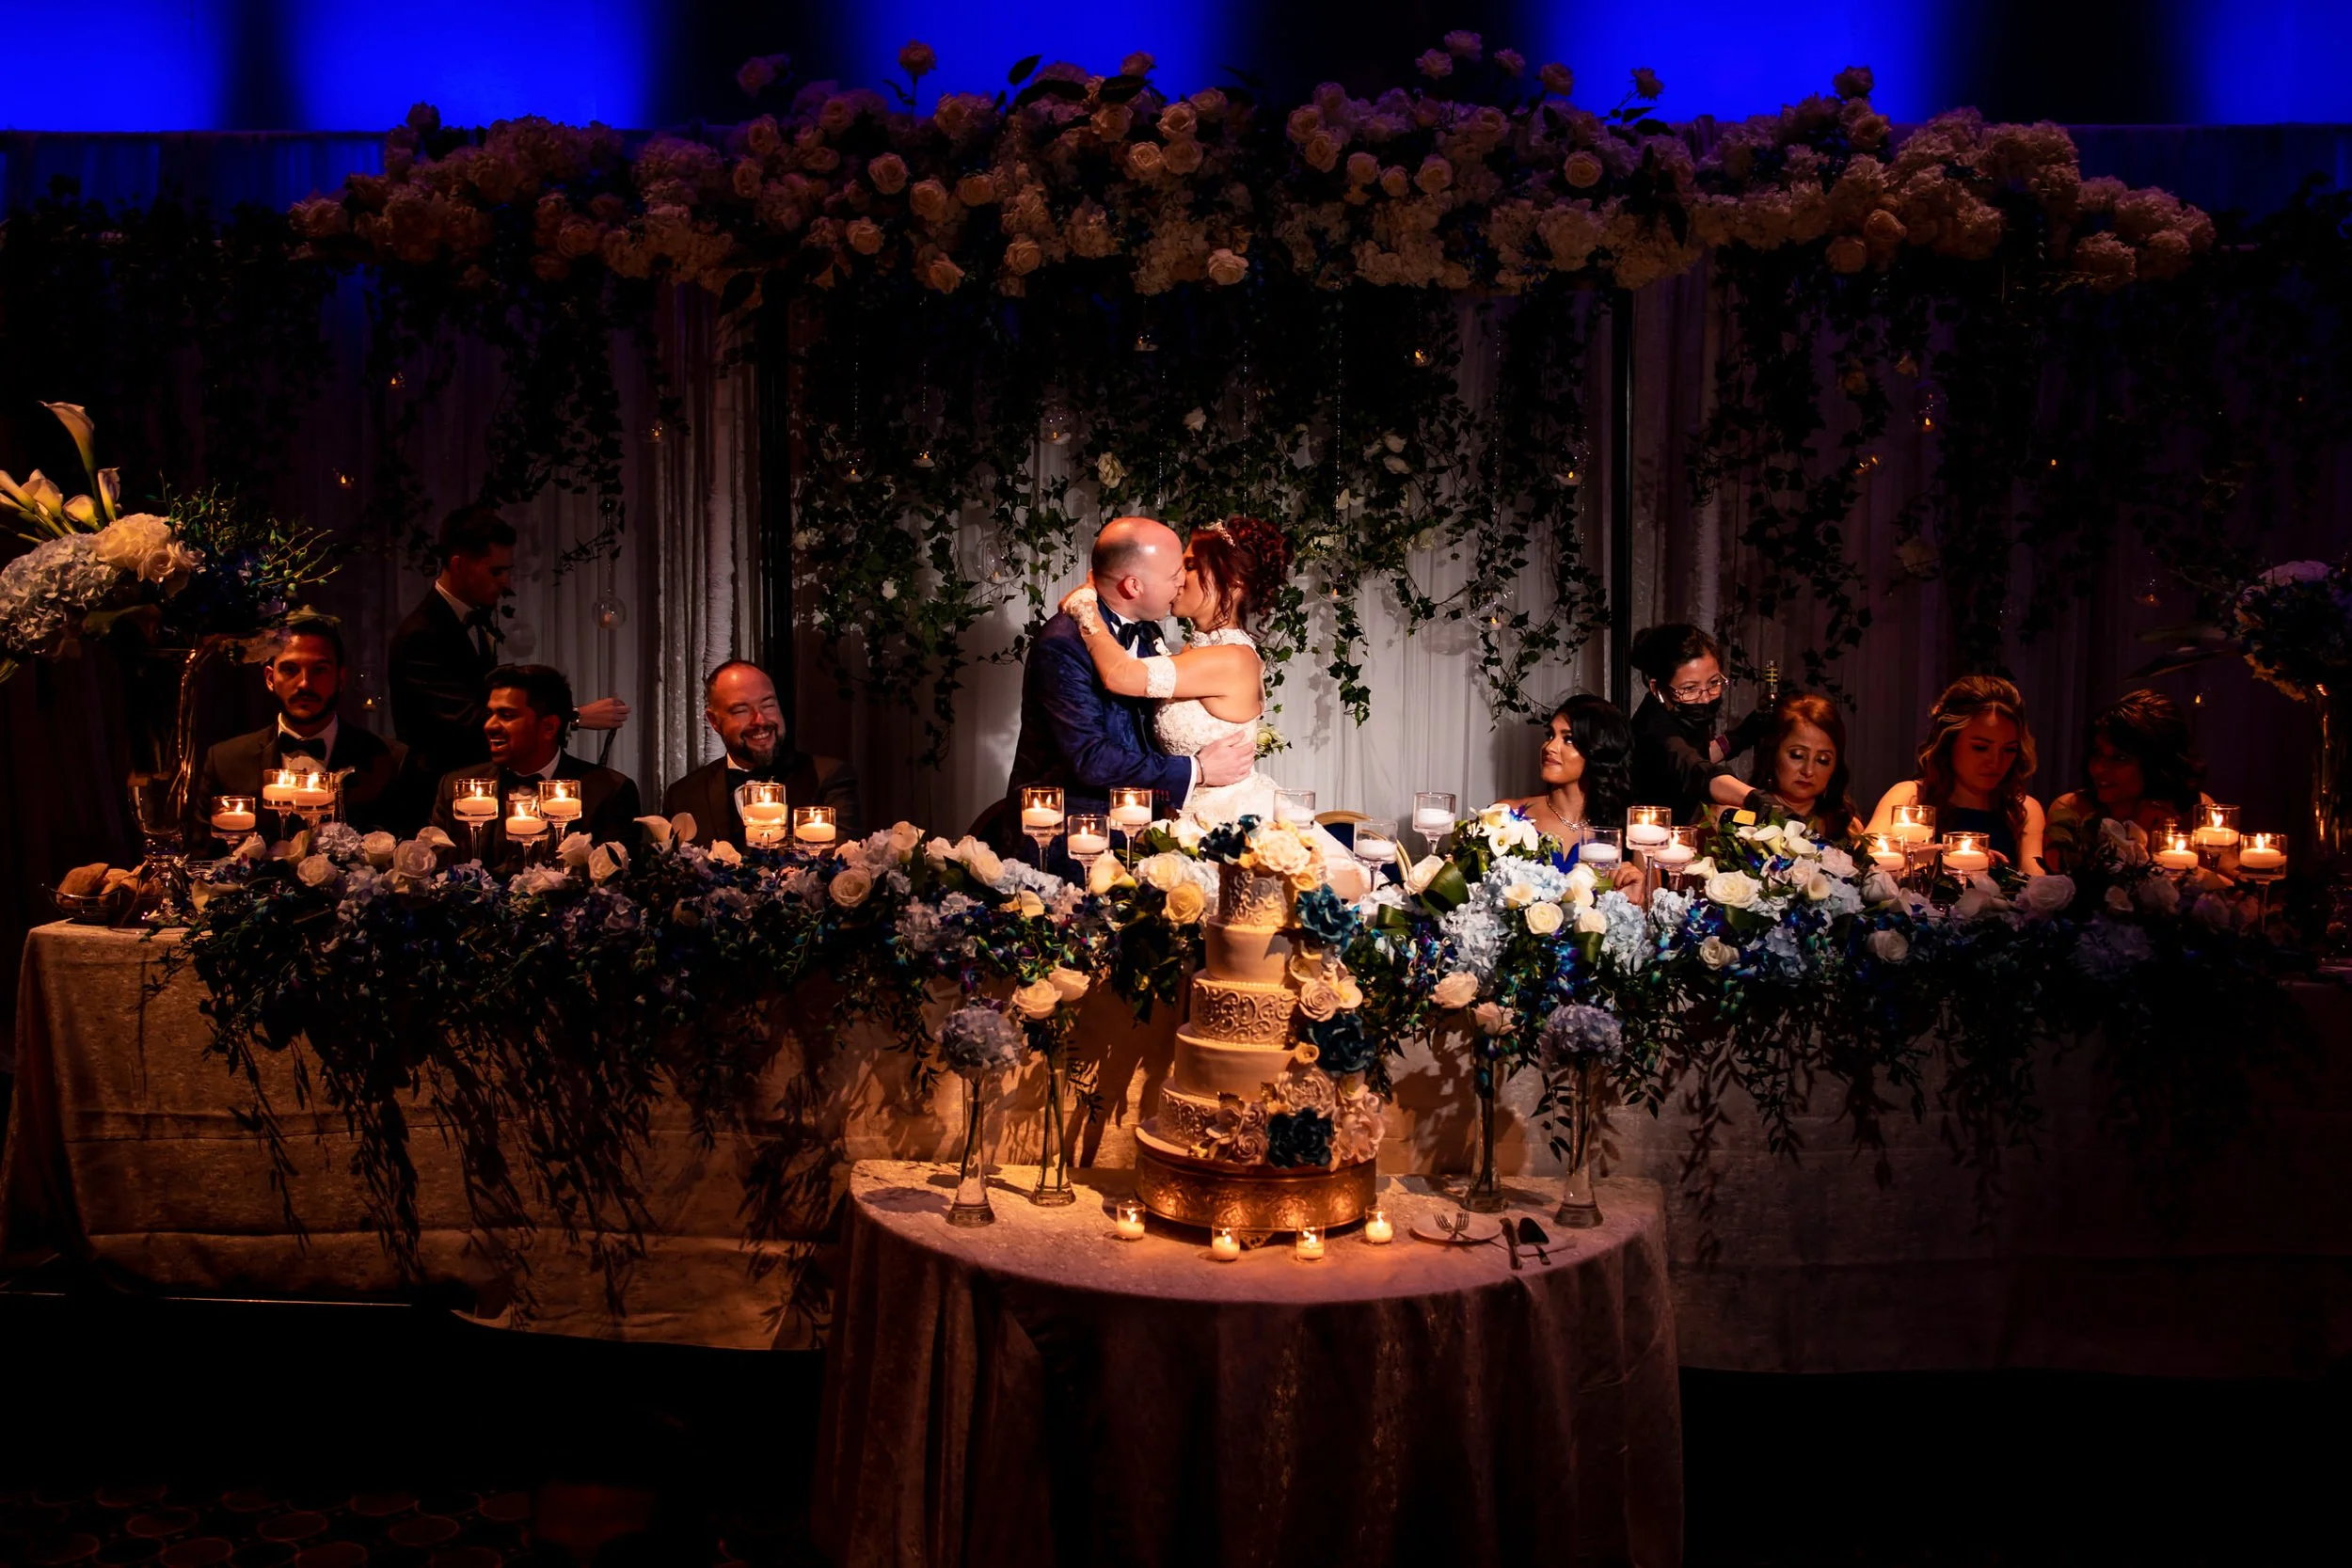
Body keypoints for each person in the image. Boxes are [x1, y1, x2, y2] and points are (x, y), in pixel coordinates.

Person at [1056, 516, 1363, 890]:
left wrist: (1085, 606)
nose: (1178, 578)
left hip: (1230, 817)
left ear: (1230, 584)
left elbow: (1120, 675)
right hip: (1185, 813)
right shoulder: (1193, 650)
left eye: (1189, 565)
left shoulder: (1231, 658)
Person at [1003, 515, 1256, 873]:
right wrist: (1195, 770)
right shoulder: (1063, 644)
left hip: (1144, 830)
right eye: (1174, 574)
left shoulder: (1149, 631)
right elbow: (1091, 759)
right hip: (1070, 839)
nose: (1182, 581)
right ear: (1134, 586)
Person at [390, 505, 629, 785]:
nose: (506, 582)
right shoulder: (420, 634)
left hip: (476, 785)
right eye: (497, 572)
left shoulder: (473, 618)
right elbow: (467, 723)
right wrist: (574, 716)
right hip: (438, 794)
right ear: (458, 565)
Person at [192, 617, 411, 841]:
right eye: (289, 669)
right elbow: (203, 861)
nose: (305, 683)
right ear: (269, 678)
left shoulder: (390, 760)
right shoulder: (225, 761)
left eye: (319, 670)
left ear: (341, 678)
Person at [429, 663, 641, 869]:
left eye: (507, 715)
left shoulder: (609, 793)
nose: (489, 726)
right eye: (489, 714)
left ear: (548, 727)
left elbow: (612, 886)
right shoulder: (456, 788)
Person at [660, 659, 861, 849]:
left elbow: (840, 866)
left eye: (767, 705)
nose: (760, 720)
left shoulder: (828, 778)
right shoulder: (683, 795)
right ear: (714, 721)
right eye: (741, 710)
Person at [1867, 673, 2046, 875]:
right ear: (1949, 742)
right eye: (1980, 747)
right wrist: (1942, 854)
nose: (1996, 762)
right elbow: (1865, 860)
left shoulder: (2023, 810)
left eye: (2009, 750)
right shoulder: (1910, 798)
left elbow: (2035, 885)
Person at [2043, 689, 2209, 872]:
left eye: (2119, 758)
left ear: (2157, 763)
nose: (2098, 768)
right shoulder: (2072, 811)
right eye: (2097, 753)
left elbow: (2221, 889)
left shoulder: (2195, 813)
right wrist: (2136, 837)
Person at [1628, 623, 1774, 824]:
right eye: (1690, 688)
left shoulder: (1680, 708)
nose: (1705, 698)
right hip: (1649, 840)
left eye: (1714, 683)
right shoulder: (1654, 727)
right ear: (1656, 688)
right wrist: (1752, 797)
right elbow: (1693, 768)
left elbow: (1700, 754)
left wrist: (1742, 735)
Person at [1502, 692, 1645, 895]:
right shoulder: (1508, 815)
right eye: (1550, 735)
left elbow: (1652, 913)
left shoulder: (1632, 830)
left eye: (1568, 739)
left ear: (1599, 749)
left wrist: (1633, 892)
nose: (1549, 747)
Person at [1746, 693, 1864, 840]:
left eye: (1822, 760)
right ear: (1773, 753)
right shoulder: (1743, 819)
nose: (1808, 771)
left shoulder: (1848, 828)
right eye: (1797, 755)